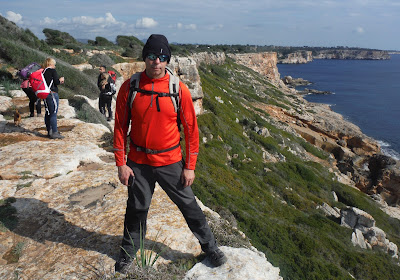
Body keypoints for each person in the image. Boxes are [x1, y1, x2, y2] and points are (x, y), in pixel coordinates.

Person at [113, 34, 227, 273]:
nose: (157, 62)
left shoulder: (178, 89)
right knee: (136, 209)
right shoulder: (130, 86)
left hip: (171, 161)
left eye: (162, 57)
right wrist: (121, 163)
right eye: (152, 56)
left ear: (167, 60)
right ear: (145, 57)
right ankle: (128, 253)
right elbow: (120, 126)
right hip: (139, 162)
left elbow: (192, 130)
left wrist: (190, 166)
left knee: (190, 206)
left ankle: (211, 248)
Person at [42, 57, 65, 139]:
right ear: (51, 64)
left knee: (48, 112)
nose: (55, 66)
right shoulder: (52, 71)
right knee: (53, 113)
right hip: (52, 93)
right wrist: (61, 80)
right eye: (54, 64)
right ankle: (55, 132)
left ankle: (49, 131)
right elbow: (56, 82)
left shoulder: (43, 71)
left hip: (45, 94)